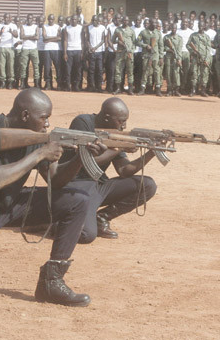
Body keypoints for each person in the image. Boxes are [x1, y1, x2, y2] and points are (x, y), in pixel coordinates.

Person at [0, 89, 104, 311]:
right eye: (44, 118)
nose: (47, 125)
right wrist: (39, 154)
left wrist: (82, 158)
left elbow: (54, 179)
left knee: (77, 200)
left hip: (8, 205)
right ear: (25, 115)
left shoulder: (38, 138)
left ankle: (52, 281)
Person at [60, 98, 158, 242]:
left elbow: (124, 170)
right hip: (76, 187)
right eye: (121, 121)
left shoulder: (113, 134)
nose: (124, 126)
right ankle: (55, 222)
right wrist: (120, 148)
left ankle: (102, 218)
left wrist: (151, 153)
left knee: (147, 185)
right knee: (86, 234)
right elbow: (85, 162)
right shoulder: (83, 123)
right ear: (106, 118)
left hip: (97, 186)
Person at [137, 18, 163, 96]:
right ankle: (142, 89)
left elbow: (161, 46)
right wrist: (145, 46)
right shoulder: (143, 32)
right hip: (146, 55)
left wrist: (161, 57)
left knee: (157, 71)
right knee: (145, 71)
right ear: (150, 23)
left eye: (156, 23)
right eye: (153, 23)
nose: (155, 24)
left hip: (155, 55)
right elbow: (137, 42)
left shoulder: (158, 33)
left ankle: (158, 89)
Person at [187, 21, 212, 97]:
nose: (201, 27)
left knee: (204, 74)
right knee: (194, 73)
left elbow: (208, 49)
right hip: (195, 57)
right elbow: (188, 45)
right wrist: (192, 51)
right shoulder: (193, 35)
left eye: (202, 26)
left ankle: (203, 90)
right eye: (199, 26)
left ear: (204, 27)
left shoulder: (207, 37)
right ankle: (193, 90)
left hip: (204, 57)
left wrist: (207, 59)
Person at [113, 16, 135, 95]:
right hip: (120, 53)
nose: (125, 22)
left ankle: (130, 89)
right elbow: (113, 41)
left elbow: (134, 43)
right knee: (118, 70)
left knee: (130, 71)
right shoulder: (117, 30)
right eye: (124, 20)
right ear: (122, 21)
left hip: (129, 53)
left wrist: (131, 51)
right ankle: (118, 88)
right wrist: (118, 42)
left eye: (127, 20)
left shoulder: (131, 31)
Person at [0, 13, 18, 88]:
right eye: (5, 17)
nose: (6, 19)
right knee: (2, 65)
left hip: (10, 47)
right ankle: (2, 81)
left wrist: (11, 32)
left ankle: (10, 82)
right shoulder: (0, 25)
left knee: (10, 65)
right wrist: (1, 32)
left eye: (8, 17)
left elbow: (16, 35)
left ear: (10, 18)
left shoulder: (13, 25)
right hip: (2, 47)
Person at [19, 13, 40, 89]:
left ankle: (36, 84)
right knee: (23, 66)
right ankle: (23, 84)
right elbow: (21, 36)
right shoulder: (23, 26)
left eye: (31, 18)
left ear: (33, 19)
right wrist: (32, 36)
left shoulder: (36, 27)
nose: (29, 20)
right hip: (25, 48)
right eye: (28, 18)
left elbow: (37, 37)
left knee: (36, 66)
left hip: (33, 49)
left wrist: (26, 37)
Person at [85, 15, 106, 92]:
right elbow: (87, 39)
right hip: (91, 52)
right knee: (91, 70)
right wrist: (90, 47)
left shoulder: (102, 28)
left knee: (99, 70)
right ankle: (91, 86)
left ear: (98, 21)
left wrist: (95, 47)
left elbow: (103, 40)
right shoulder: (89, 28)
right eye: (93, 20)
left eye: (95, 20)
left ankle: (99, 87)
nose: (94, 22)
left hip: (99, 52)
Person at [63, 15, 83, 92]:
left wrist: (82, 52)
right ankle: (68, 86)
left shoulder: (80, 28)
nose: (73, 21)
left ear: (77, 20)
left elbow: (83, 41)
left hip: (78, 50)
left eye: (75, 19)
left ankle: (76, 86)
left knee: (77, 69)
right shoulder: (67, 28)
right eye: (72, 19)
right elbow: (65, 40)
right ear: (70, 20)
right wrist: (65, 53)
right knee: (68, 70)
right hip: (69, 50)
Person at [42, 14, 61, 90]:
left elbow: (59, 38)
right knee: (47, 67)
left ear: (54, 19)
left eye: (52, 19)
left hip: (56, 49)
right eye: (49, 19)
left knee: (57, 67)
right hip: (47, 49)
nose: (50, 20)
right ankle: (48, 83)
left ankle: (59, 83)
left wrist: (48, 39)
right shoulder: (44, 27)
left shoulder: (57, 27)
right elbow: (44, 37)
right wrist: (54, 38)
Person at [164, 23, 183, 96]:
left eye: (175, 28)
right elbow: (163, 47)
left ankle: (176, 90)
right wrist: (169, 50)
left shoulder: (179, 38)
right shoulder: (166, 37)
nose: (174, 30)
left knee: (176, 73)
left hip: (176, 57)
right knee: (168, 73)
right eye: (172, 28)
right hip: (168, 57)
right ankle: (169, 90)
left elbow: (179, 50)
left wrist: (179, 59)